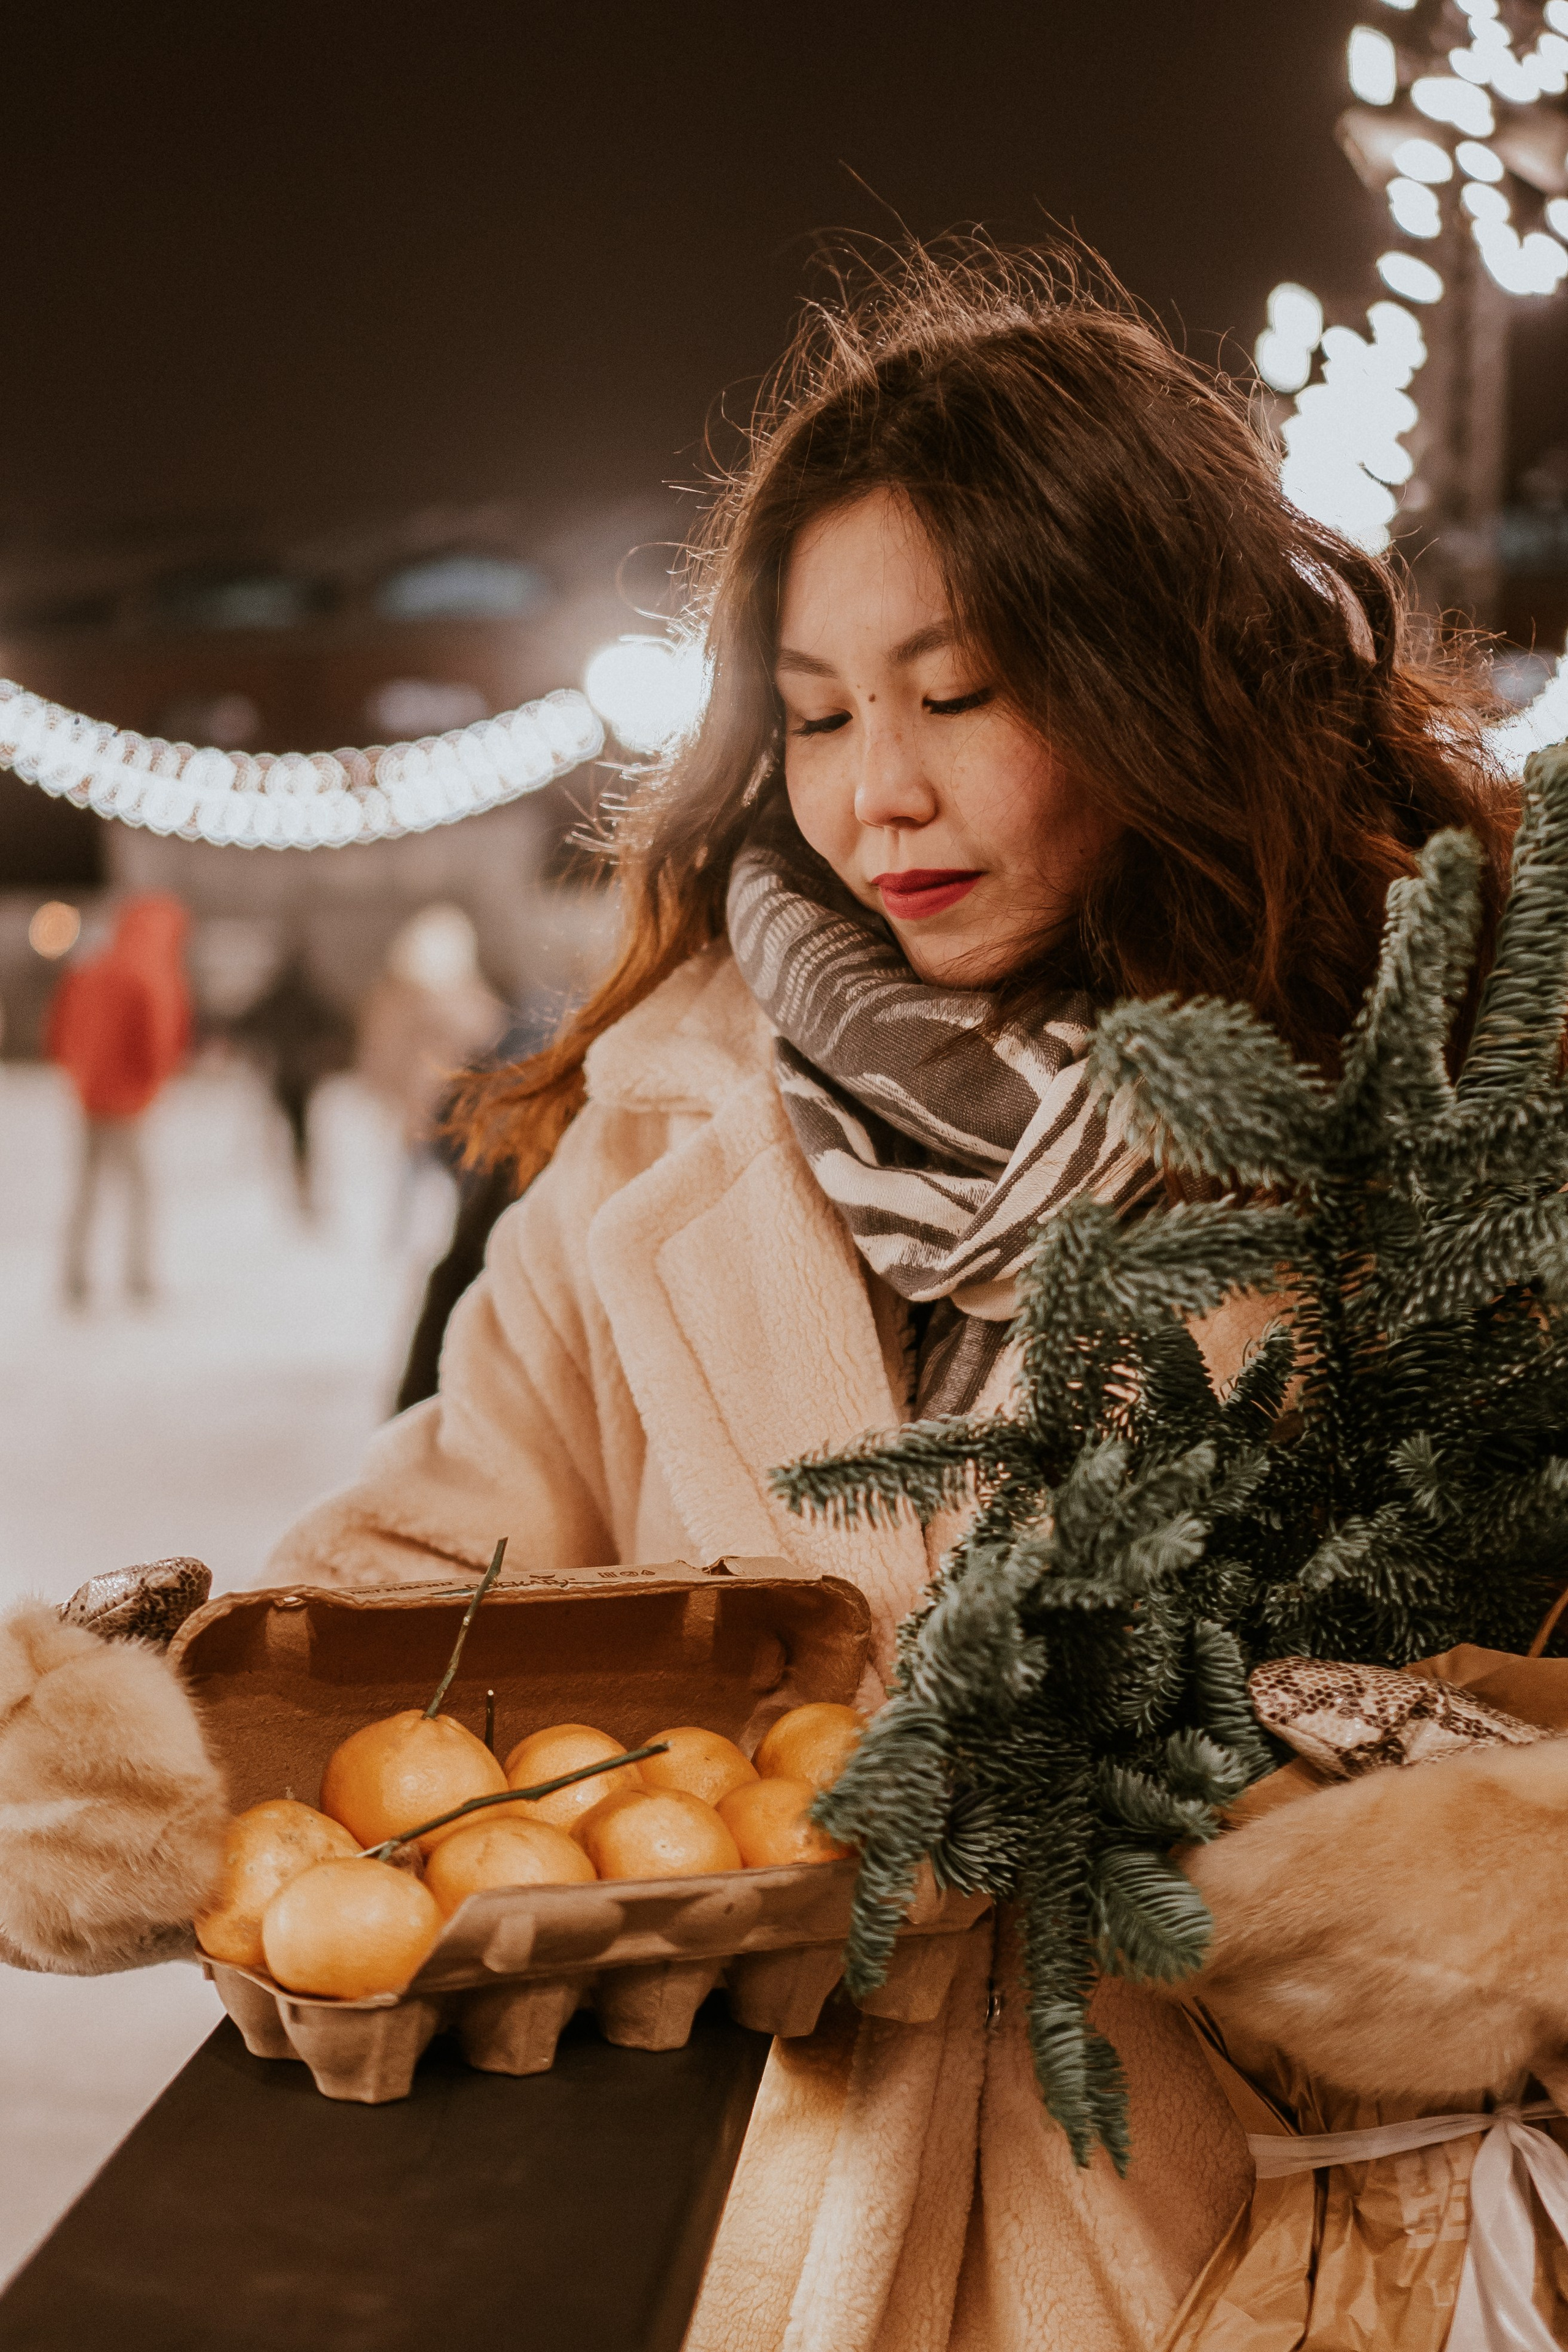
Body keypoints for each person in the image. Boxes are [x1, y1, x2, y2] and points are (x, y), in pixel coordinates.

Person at [262, 245, 1518, 2342]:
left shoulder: (1422, 1129)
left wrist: (1310, 1879)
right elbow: (457, 1552)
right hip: (742, 2227)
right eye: (823, 715)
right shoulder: (674, 1123)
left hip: (1241, 2260)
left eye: (960, 695)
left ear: (1158, 679)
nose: (878, 797)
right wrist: (163, 1752)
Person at [47, 892, 192, 1308]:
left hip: (90, 1093)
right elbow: (159, 1036)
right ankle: (138, 1275)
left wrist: (78, 1073)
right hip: (131, 1098)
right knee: (140, 1190)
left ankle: (75, 1275)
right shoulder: (151, 969)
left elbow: (60, 1026)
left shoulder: (93, 965)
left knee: (87, 1188)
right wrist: (154, 1081)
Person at [230, 950, 355, 1216]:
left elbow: (248, 1020)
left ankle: (295, 1180)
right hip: (301, 1075)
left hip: (286, 1073)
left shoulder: (280, 995)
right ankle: (299, 1180)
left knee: (289, 1130)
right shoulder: (310, 995)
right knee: (299, 1133)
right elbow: (340, 1021)